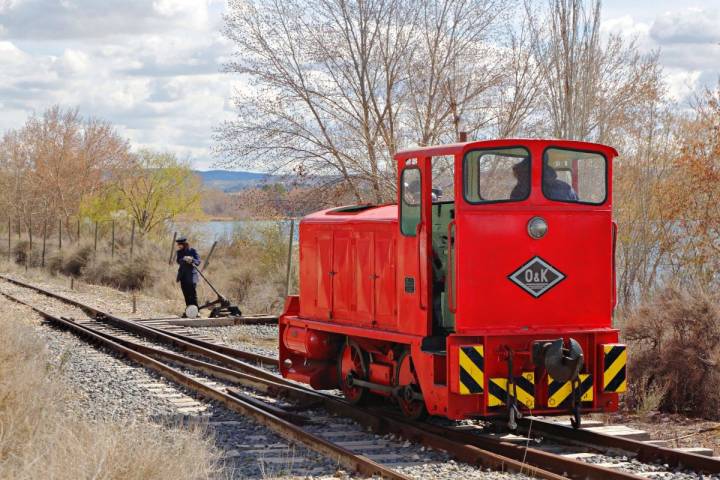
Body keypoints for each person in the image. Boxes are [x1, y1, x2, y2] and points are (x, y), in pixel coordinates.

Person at [175, 237, 201, 314]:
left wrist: (192, 260)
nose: (178, 246)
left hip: (191, 276)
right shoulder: (179, 252)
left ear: (184, 244)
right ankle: (189, 312)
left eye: (180, 244)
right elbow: (178, 261)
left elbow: (198, 262)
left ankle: (196, 312)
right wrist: (184, 259)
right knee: (186, 294)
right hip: (182, 276)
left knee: (192, 295)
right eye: (178, 244)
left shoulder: (193, 251)